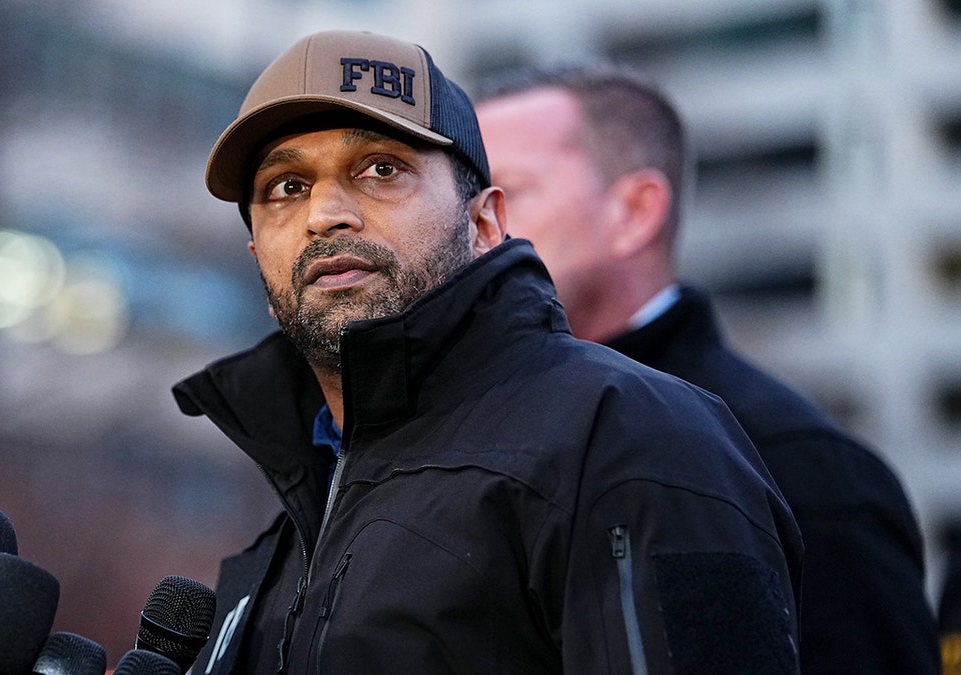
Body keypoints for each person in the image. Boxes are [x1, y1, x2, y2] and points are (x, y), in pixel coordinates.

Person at [175, 30, 803, 674]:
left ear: (484, 225)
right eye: (286, 186)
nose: (325, 215)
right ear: (258, 256)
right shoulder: (281, 542)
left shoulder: (632, 437)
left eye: (381, 170)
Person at [474, 64, 938, 674]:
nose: (474, 228)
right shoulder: (442, 437)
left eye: (506, 192)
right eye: (466, 200)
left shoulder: (799, 467)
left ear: (634, 212)